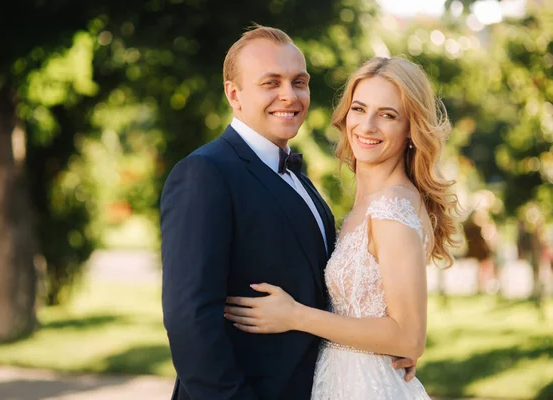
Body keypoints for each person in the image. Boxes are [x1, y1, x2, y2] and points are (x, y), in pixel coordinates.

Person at [161, 26, 415, 400]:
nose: (289, 95)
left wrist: (385, 347)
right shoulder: (206, 173)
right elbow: (191, 322)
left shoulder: (302, 181)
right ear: (234, 94)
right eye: (271, 82)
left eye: (299, 82)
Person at [224, 56, 461, 399]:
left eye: (388, 115)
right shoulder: (368, 204)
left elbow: (409, 338)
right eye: (359, 109)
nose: (367, 126)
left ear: (412, 129)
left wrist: (294, 315)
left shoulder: (391, 208)